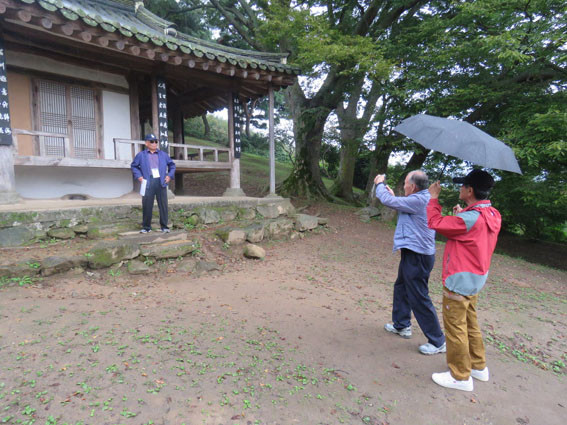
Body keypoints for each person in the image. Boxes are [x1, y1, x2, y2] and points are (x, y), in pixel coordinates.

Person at [427, 169, 501, 392]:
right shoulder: (492, 214)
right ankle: (478, 366)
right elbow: (471, 229)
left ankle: (460, 376)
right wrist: (463, 214)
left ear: (470, 190)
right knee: (470, 323)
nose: (460, 188)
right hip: (476, 279)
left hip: (458, 280)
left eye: (463, 185)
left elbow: (435, 222)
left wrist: (433, 198)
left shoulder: (470, 219)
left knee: (455, 328)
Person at [374, 171, 446, 355]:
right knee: (402, 287)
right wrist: (393, 197)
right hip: (413, 253)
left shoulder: (420, 200)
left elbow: (388, 201)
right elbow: (400, 205)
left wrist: (379, 184)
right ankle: (402, 324)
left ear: (413, 186)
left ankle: (438, 340)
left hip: (418, 256)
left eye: (405, 183)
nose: (404, 186)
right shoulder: (419, 198)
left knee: (419, 296)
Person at [131, 134, 176, 233]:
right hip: (148, 181)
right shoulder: (141, 155)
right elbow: (134, 166)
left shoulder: (163, 154)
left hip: (161, 181)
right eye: (152, 141)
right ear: (146, 143)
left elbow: (172, 165)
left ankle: (164, 226)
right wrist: (139, 176)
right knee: (147, 204)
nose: (154, 143)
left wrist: (169, 176)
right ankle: (146, 227)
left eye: (156, 141)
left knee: (163, 205)